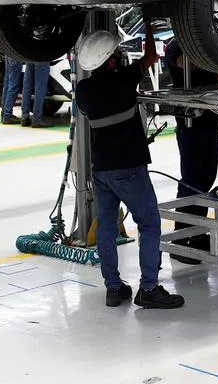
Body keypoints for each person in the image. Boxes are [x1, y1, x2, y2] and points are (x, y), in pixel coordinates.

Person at [74, 23, 184, 310]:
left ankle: (114, 288)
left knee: (107, 228)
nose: (120, 57)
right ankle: (148, 288)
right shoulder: (124, 79)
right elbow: (150, 56)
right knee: (149, 224)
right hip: (129, 167)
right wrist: (148, 25)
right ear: (110, 61)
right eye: (116, 54)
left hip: (101, 171)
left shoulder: (83, 89)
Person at [163, 39, 218, 264]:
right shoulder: (176, 47)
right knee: (192, 179)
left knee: (206, 177)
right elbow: (187, 64)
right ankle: (180, 241)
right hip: (190, 121)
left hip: (211, 118)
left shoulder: (207, 44)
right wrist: (214, 53)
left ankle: (198, 233)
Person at [20, 61, 51, 127]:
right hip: (42, 56)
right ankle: (36, 119)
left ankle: (24, 117)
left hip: (29, 56)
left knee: (27, 86)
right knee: (40, 87)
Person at [0, 57, 23, 125]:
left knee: (7, 83)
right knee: (14, 84)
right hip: (15, 53)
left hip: (8, 52)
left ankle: (4, 113)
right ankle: (7, 114)